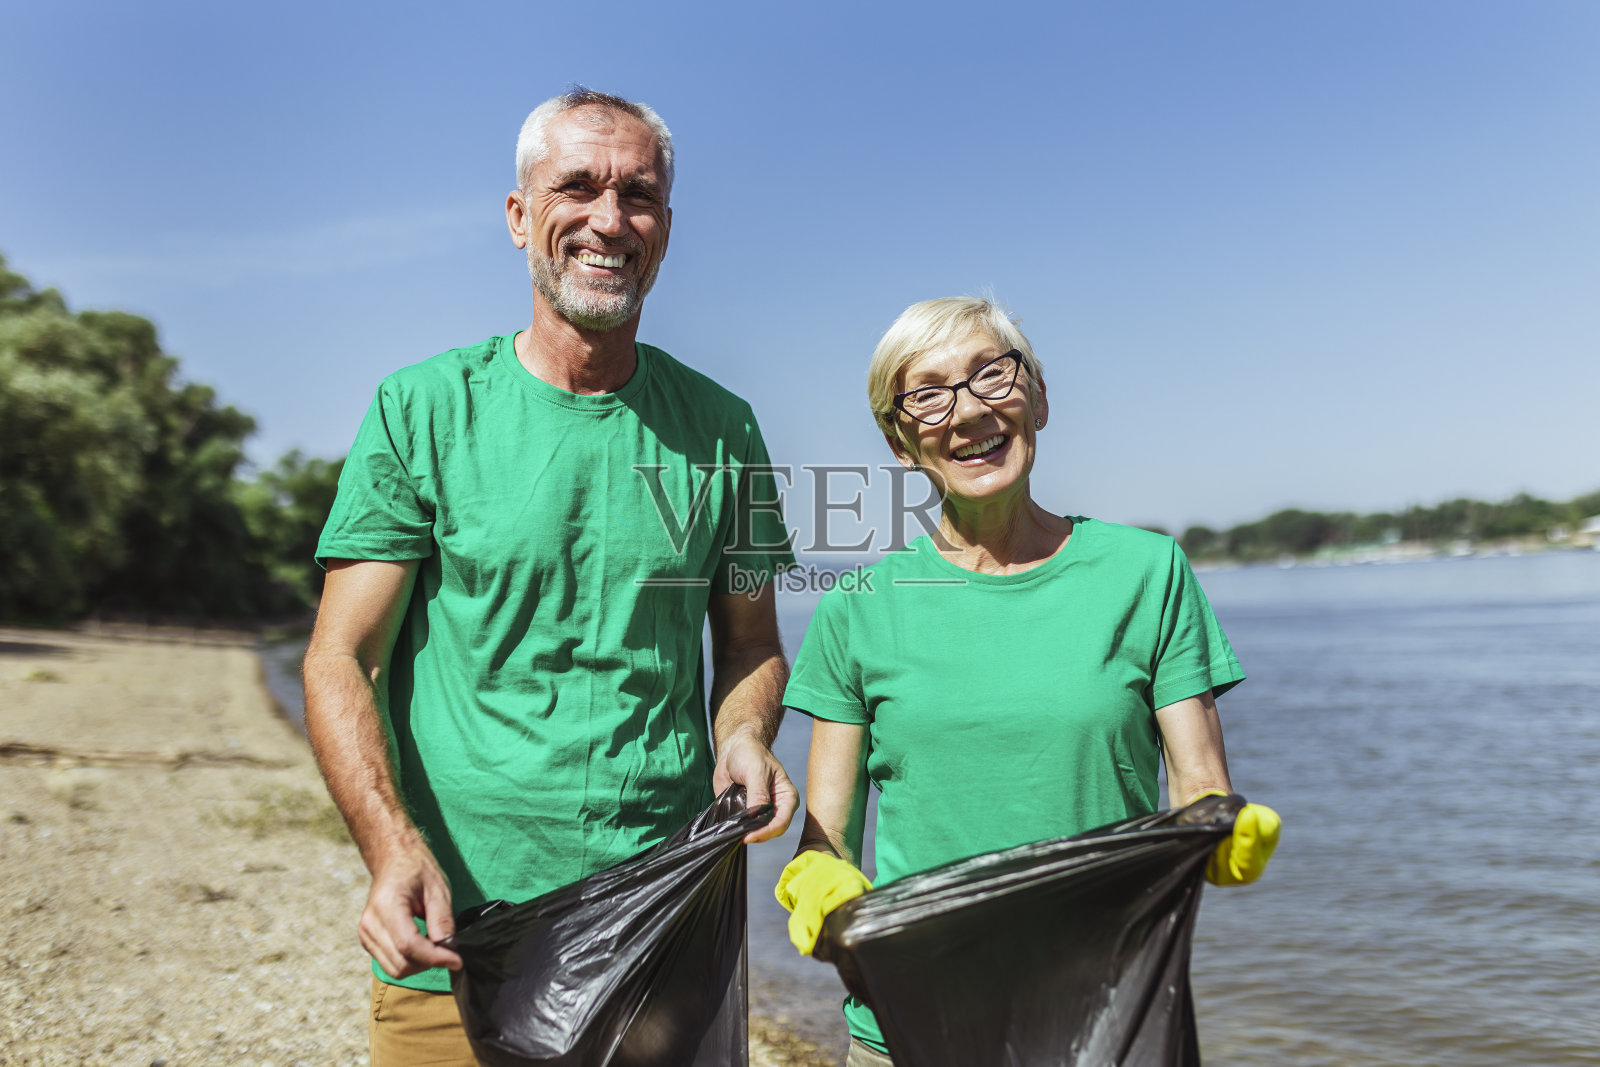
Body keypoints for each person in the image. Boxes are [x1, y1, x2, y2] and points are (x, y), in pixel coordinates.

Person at [303, 88, 798, 1065]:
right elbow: (339, 657)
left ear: (665, 228)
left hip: (660, 927)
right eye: (577, 187)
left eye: (638, 195)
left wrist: (743, 734)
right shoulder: (421, 409)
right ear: (519, 215)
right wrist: (391, 850)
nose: (609, 219)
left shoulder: (723, 426)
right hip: (458, 934)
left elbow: (749, 643)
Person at [773, 297, 1281, 1066]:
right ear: (900, 442)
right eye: (929, 394)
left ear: (1038, 397)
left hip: (1108, 1021)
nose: (969, 410)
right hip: (911, 1027)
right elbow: (827, 841)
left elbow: (1199, 788)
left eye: (991, 375)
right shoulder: (858, 608)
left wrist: (1221, 832)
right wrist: (817, 880)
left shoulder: (1147, 572)